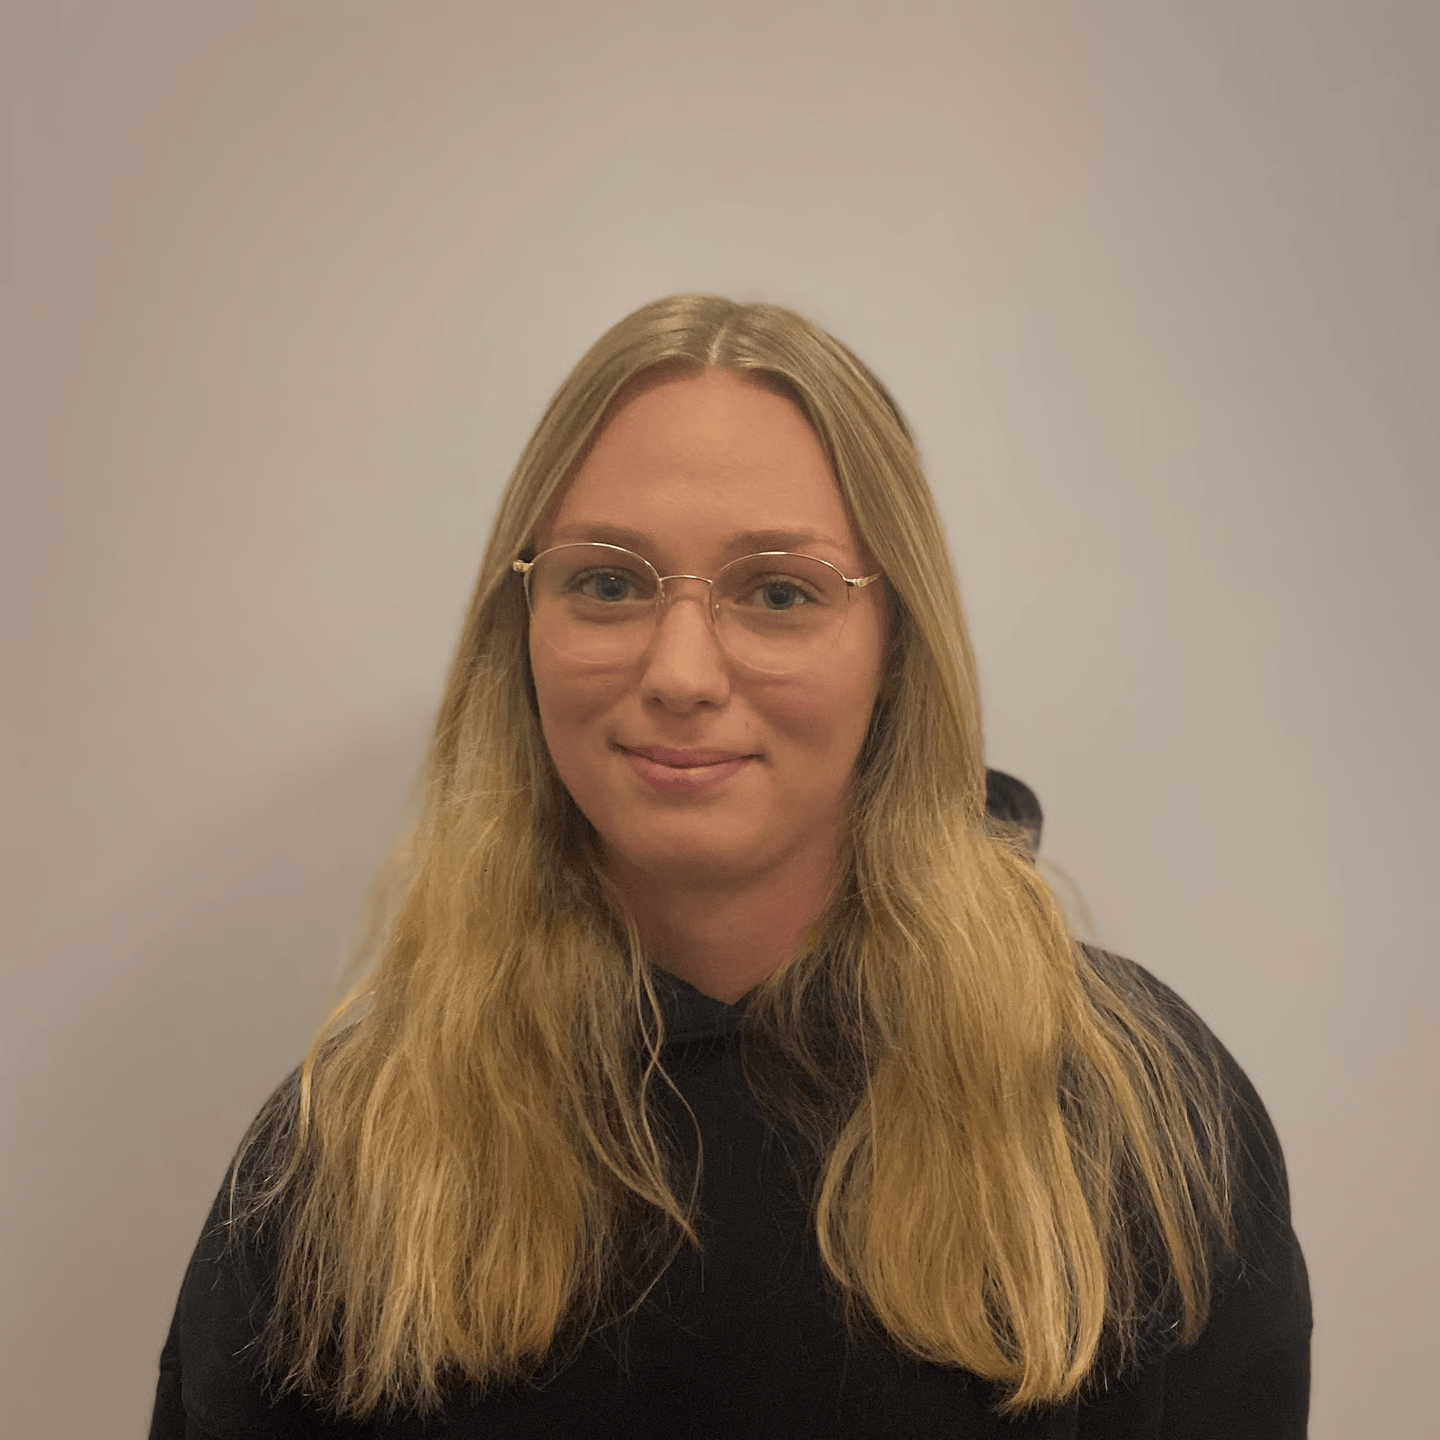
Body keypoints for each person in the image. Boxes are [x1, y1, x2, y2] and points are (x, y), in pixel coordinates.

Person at [150, 295, 1311, 1439]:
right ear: (525, 626)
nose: (682, 673)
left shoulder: (1140, 1120)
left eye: (779, 592)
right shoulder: (349, 1154)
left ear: (896, 649)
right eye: (608, 582)